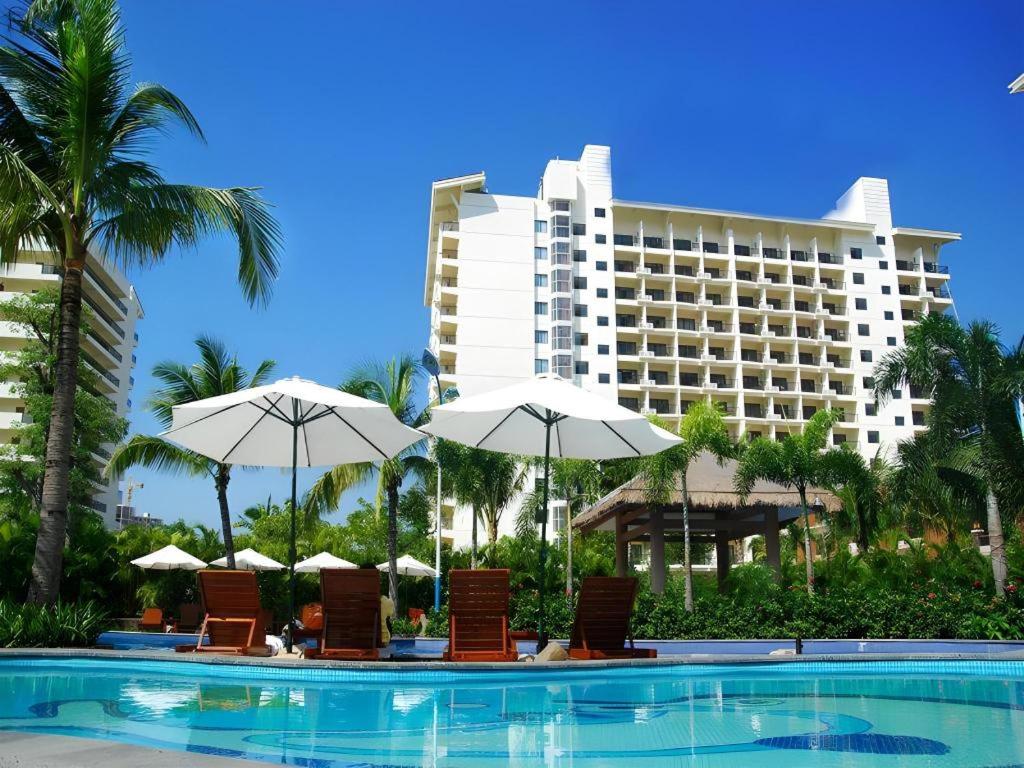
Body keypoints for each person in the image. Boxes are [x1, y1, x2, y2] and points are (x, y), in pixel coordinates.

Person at [359, 562, 394, 646]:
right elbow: (390, 613)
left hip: (357, 641)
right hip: (380, 642)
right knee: (386, 619)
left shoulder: (351, 601)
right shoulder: (385, 601)